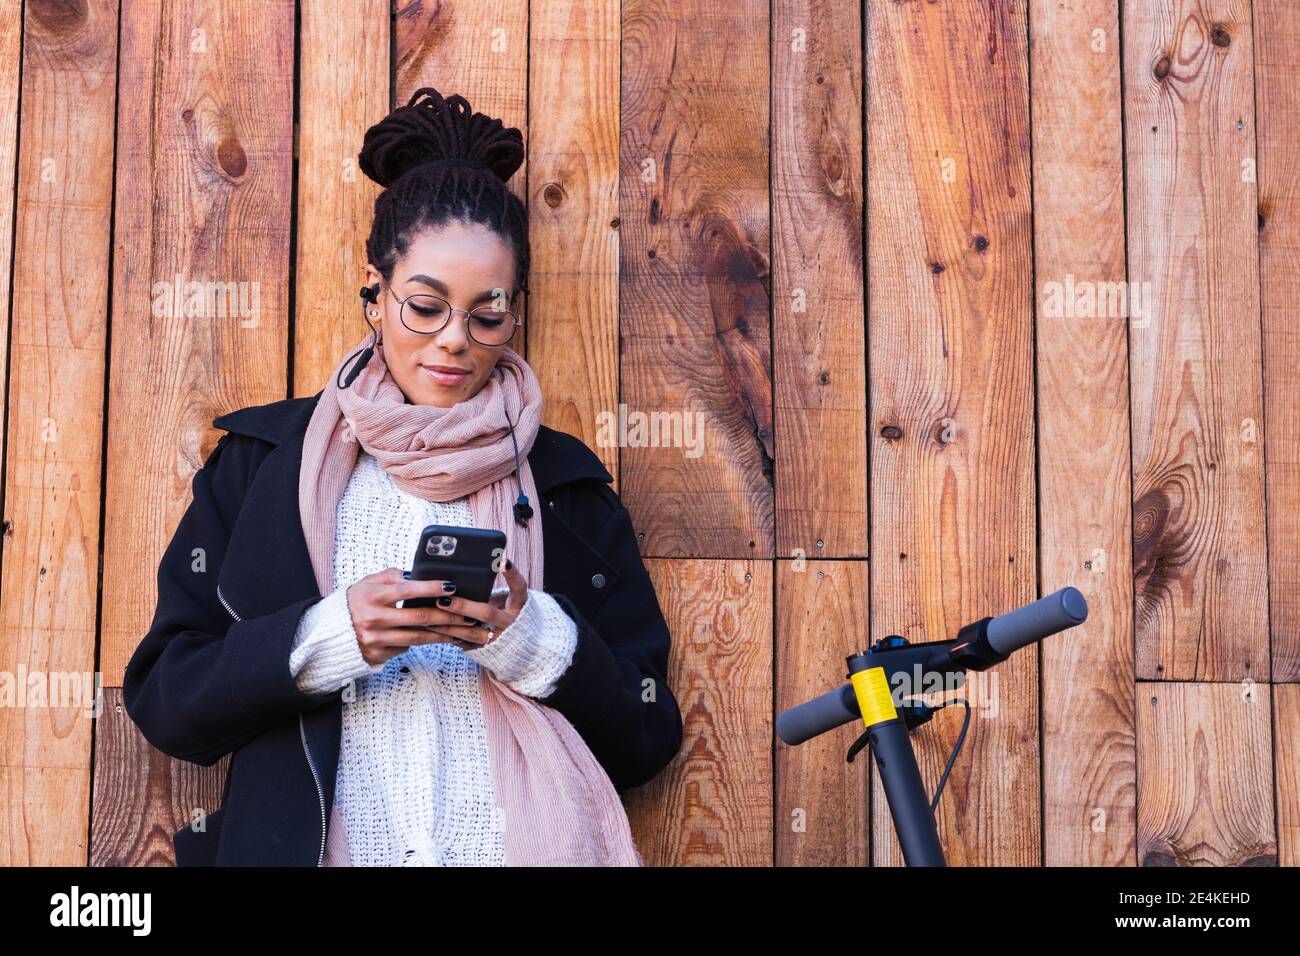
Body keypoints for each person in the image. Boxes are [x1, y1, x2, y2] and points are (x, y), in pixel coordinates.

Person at [122, 87, 683, 866]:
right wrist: (330, 636)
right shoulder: (261, 467)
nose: (455, 341)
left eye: (488, 315)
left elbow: (648, 731)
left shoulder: (564, 487)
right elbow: (166, 699)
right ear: (375, 293)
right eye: (425, 306)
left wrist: (533, 640)